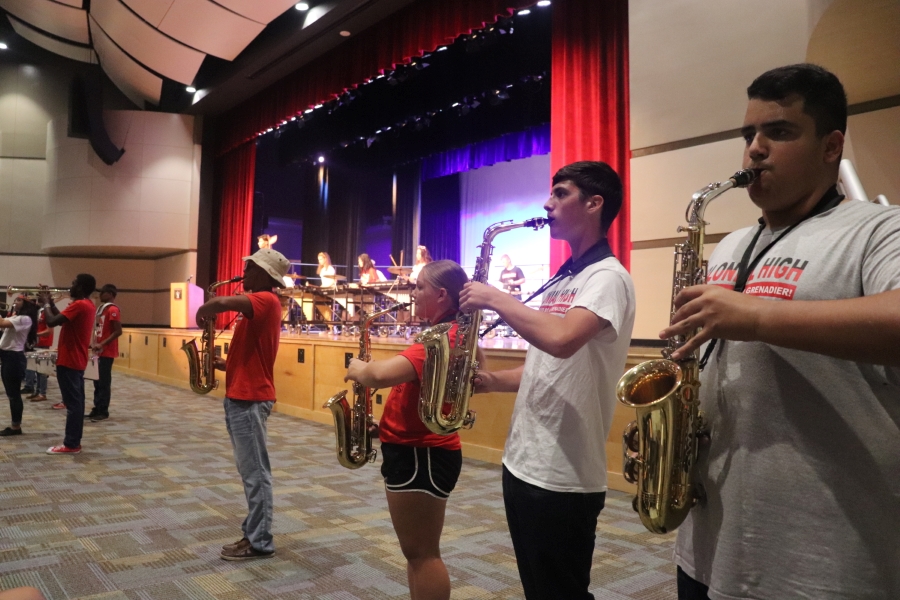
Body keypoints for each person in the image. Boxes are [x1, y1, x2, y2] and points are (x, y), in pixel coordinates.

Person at [659, 64, 900, 600]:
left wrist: (757, 316)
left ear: (830, 146)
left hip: (824, 556)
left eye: (780, 132)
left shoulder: (878, 228)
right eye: (749, 135)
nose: (755, 149)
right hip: (709, 542)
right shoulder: (730, 244)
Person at [459, 161, 635, 599]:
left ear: (594, 203)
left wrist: (496, 298)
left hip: (565, 474)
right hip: (524, 461)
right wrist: (490, 380)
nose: (547, 203)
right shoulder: (565, 279)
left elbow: (561, 341)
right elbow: (548, 365)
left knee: (562, 593)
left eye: (560, 193)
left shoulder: (607, 277)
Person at [344, 260, 469, 600]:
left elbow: (379, 376)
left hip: (422, 453)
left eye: (420, 287)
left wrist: (358, 368)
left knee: (423, 554)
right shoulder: (445, 332)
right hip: (413, 450)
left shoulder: (443, 336)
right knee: (415, 553)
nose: (413, 294)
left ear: (442, 295)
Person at [196, 248, 289, 561]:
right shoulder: (260, 304)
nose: (243, 275)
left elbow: (221, 302)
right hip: (241, 396)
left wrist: (204, 309)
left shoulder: (266, 299)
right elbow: (252, 356)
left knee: (256, 474)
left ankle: (260, 541)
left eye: (248, 270)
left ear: (264, 275)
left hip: (250, 399)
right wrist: (221, 363)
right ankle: (253, 533)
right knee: (250, 471)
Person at [40, 274, 96, 455]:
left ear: (80, 287)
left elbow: (51, 321)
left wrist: (46, 303)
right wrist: (50, 304)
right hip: (76, 360)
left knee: (73, 405)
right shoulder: (87, 305)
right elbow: (62, 318)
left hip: (70, 361)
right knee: (76, 404)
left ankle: (71, 444)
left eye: (73, 283)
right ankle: (74, 443)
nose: (70, 287)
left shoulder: (80, 305)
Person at [0, 297, 38, 437]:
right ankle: (15, 425)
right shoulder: (18, 317)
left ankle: (16, 426)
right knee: (11, 394)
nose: (15, 302)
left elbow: (2, 322)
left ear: (26, 304)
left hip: (13, 358)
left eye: (18, 300)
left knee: (14, 394)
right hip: (7, 357)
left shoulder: (25, 319)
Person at [86, 284, 122, 422]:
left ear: (111, 294)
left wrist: (103, 343)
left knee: (104, 382)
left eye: (104, 293)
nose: (100, 295)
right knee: (97, 381)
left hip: (106, 351)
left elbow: (118, 331)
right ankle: (97, 407)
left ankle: (103, 410)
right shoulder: (101, 310)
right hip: (98, 350)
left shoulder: (112, 310)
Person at [24, 306, 54, 403]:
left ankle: (42, 393)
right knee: (37, 369)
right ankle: (37, 392)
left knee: (42, 371)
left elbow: (49, 331)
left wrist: (34, 334)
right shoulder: (39, 311)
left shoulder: (48, 312)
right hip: (37, 343)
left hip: (44, 343)